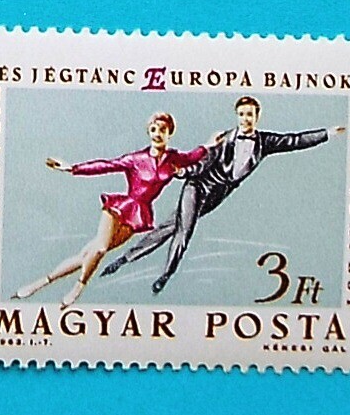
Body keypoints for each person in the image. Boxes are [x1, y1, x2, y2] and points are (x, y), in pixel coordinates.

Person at [102, 95, 347, 294]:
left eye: (250, 114)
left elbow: (295, 140)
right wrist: (184, 172)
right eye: (242, 114)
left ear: (257, 116)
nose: (245, 119)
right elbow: (202, 165)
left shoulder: (265, 142)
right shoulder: (224, 138)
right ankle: (166, 275)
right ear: (237, 116)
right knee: (185, 230)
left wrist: (327, 133)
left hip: (218, 194)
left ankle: (123, 259)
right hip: (197, 187)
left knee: (171, 226)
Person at [11, 112, 221, 306]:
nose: (157, 134)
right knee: (100, 249)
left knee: (87, 255)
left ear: (169, 133)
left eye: (162, 130)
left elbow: (193, 156)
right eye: (154, 129)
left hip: (139, 216)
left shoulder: (173, 158)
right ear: (149, 132)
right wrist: (73, 168)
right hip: (120, 208)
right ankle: (78, 287)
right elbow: (106, 165)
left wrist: (209, 144)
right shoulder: (135, 159)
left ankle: (37, 284)